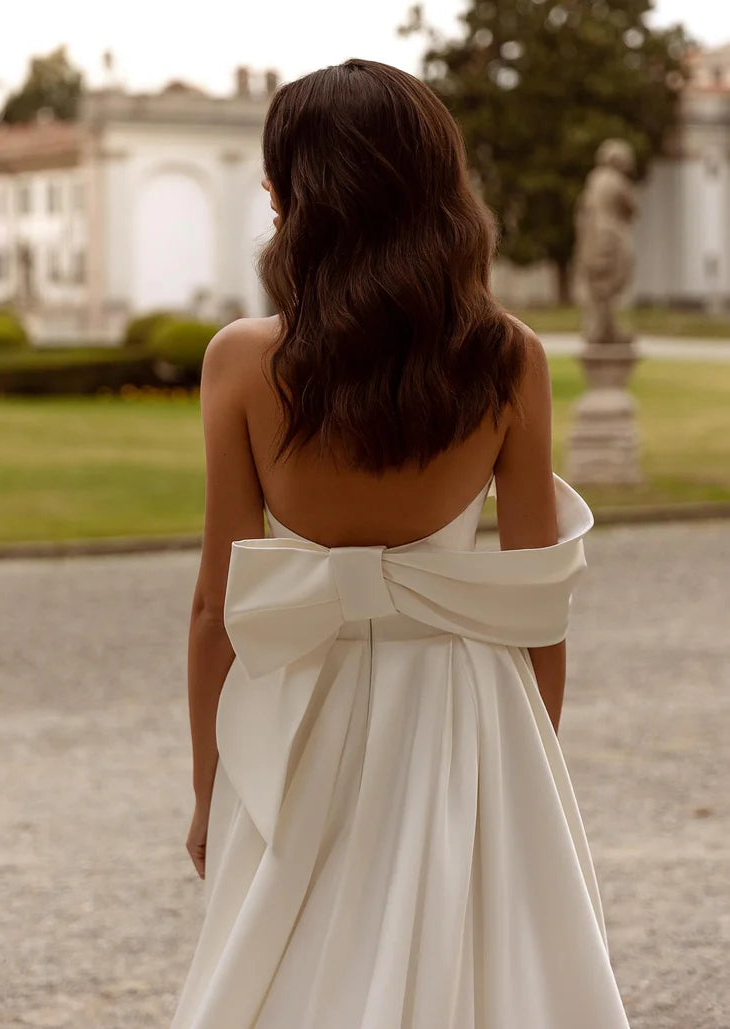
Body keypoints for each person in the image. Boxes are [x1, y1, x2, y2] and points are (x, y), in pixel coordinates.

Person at [170, 58, 630, 1028]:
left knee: (289, 973)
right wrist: (530, 756)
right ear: (439, 186)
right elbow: (536, 596)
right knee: (483, 976)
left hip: (300, 709)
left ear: (288, 193)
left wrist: (211, 792)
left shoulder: (243, 362)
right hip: (469, 709)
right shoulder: (508, 357)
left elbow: (218, 606)